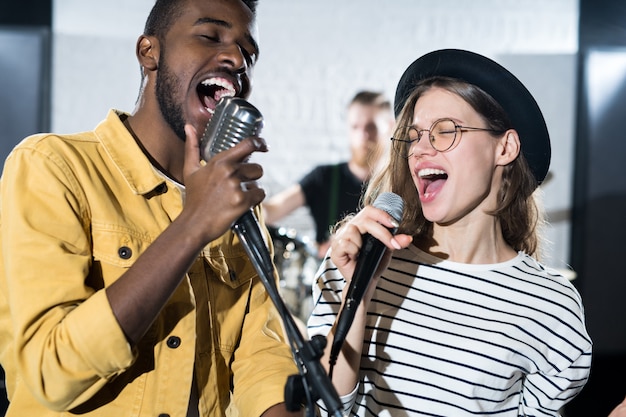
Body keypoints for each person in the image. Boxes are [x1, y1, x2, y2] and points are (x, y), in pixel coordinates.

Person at [0, 1, 304, 416]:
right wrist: (193, 224)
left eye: (247, 54)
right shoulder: (53, 166)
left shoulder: (239, 213)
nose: (236, 59)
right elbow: (51, 373)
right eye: (210, 36)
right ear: (150, 53)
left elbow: (263, 363)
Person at [307, 49, 592, 416]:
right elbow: (323, 406)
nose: (420, 150)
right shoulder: (360, 261)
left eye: (445, 131)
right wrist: (357, 294)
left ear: (504, 147)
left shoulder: (550, 306)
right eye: (413, 137)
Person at [263, 91, 394, 259]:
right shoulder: (323, 177)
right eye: (355, 127)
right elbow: (272, 210)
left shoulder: (398, 183)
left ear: (390, 127)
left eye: (371, 127)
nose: (362, 136)